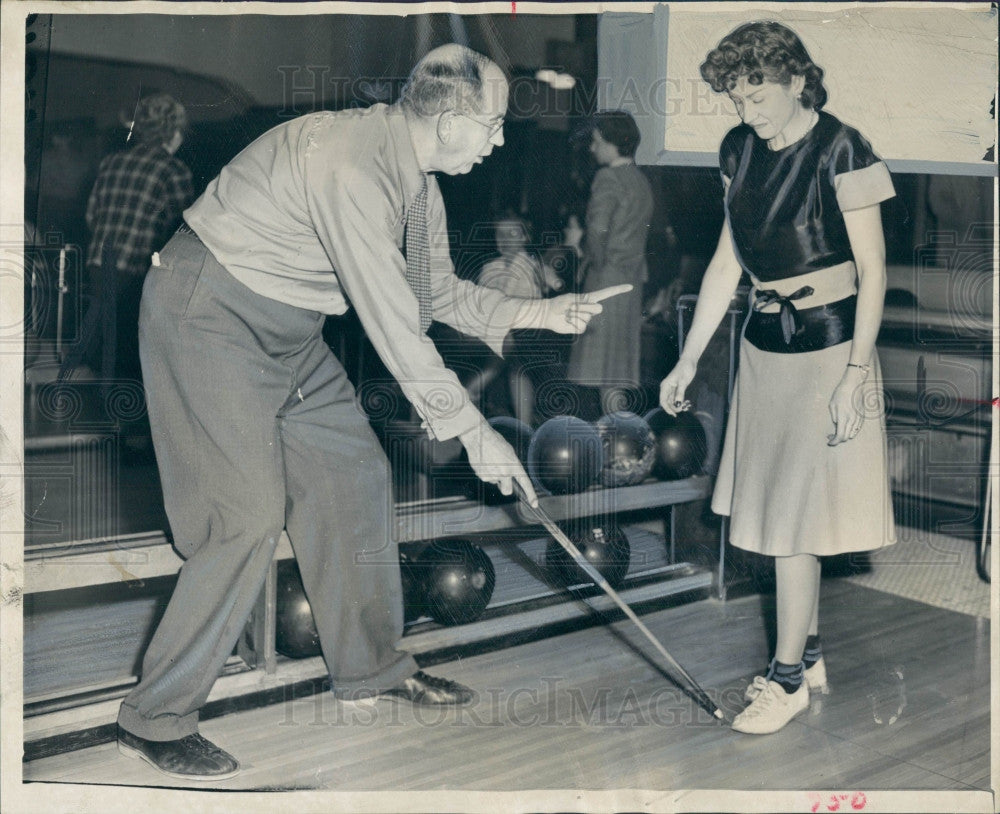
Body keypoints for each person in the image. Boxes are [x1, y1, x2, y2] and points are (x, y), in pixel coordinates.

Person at [116, 44, 630, 781]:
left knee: (355, 476)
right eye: (492, 123)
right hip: (209, 315)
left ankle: (373, 669)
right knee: (245, 516)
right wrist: (476, 431)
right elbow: (397, 328)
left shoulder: (417, 180)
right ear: (451, 120)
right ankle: (154, 717)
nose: (500, 138)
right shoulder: (352, 163)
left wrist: (546, 311)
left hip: (291, 335)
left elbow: (438, 295)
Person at [659, 21, 896, 735]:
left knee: (797, 523)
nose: (747, 112)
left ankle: (787, 680)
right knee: (779, 514)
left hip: (831, 350)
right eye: (736, 99)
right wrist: (690, 355)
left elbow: (874, 271)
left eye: (758, 96)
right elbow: (728, 261)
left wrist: (857, 373)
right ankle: (810, 652)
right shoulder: (737, 151)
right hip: (763, 348)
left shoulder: (843, 148)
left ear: (797, 80)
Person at [79, 93, 193, 383]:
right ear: (174, 132)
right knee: (130, 346)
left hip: (98, 259)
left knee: (102, 337)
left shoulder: (112, 162)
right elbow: (182, 230)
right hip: (138, 267)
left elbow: (92, 215)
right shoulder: (174, 169)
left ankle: (93, 401)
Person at [565, 111, 654, 416]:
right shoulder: (640, 180)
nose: (592, 148)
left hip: (605, 282)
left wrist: (581, 248)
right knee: (615, 376)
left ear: (611, 144)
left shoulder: (608, 177)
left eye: (596, 142)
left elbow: (598, 231)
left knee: (605, 374)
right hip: (630, 284)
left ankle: (615, 444)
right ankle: (622, 445)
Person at [477, 215, 564, 425]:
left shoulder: (532, 265)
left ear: (525, 237)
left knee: (516, 363)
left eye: (513, 234)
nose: (505, 240)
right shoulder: (491, 268)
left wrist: (554, 280)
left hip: (527, 330)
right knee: (506, 356)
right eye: (500, 234)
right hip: (499, 328)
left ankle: (521, 421)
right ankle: (475, 393)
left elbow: (554, 281)